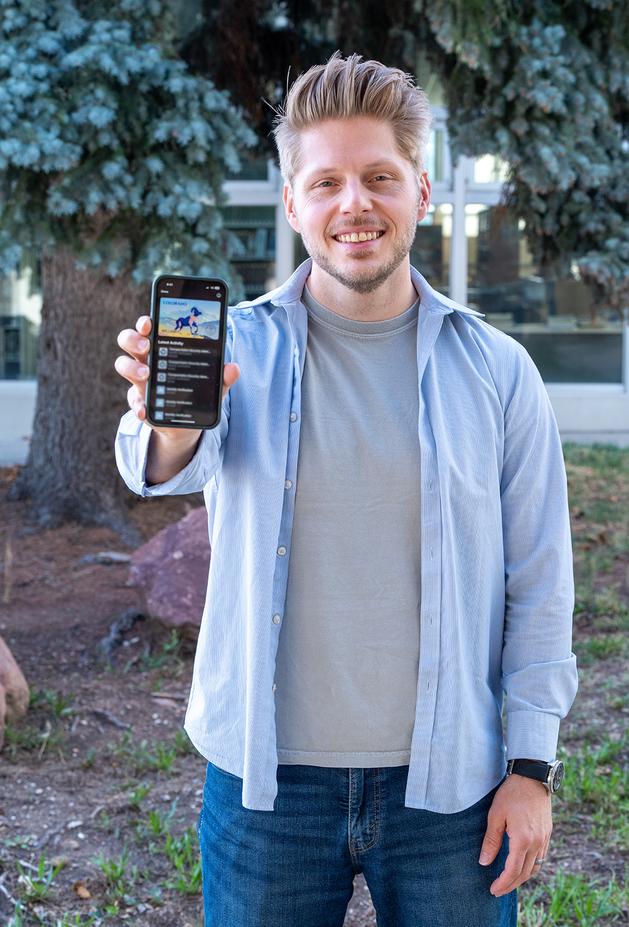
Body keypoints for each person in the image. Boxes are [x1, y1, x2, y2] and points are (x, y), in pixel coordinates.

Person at [114, 54, 578, 927]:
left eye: (378, 177)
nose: (353, 205)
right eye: (324, 181)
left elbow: (542, 583)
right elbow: (157, 462)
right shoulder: (234, 353)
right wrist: (172, 417)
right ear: (293, 203)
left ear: (422, 192)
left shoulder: (499, 373)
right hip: (267, 791)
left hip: (453, 791)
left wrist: (532, 768)